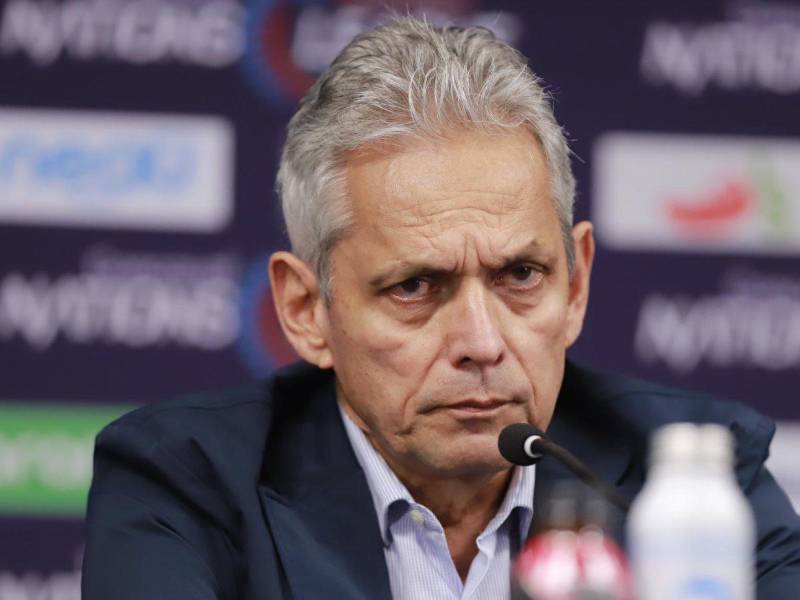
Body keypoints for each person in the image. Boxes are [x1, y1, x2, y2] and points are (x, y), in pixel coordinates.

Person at [81, 17, 800, 600]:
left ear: (575, 285)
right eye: (416, 288)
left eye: (520, 274)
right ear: (306, 310)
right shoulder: (188, 482)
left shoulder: (697, 482)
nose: (482, 343)